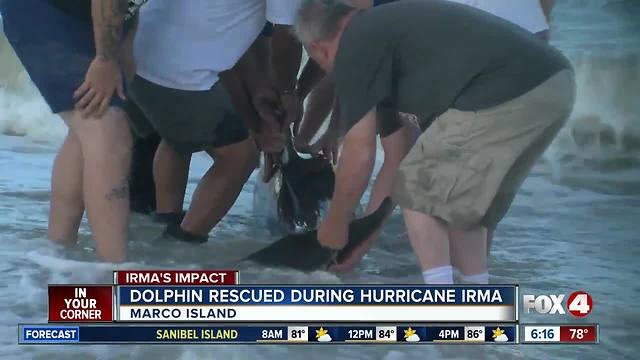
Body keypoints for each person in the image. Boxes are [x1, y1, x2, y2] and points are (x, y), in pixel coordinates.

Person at [295, 0, 575, 284]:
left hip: (506, 91)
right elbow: (397, 160)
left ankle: (439, 304)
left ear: (317, 47)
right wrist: (362, 240)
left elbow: (359, 154)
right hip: (554, 87)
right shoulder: (390, 41)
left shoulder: (357, 41)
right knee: (461, 211)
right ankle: (474, 307)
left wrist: (335, 226)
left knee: (421, 189)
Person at [127, 0, 302, 242]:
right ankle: (182, 243)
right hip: (175, 71)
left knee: (178, 132)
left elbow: (231, 48)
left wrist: (257, 116)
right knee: (240, 157)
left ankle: (167, 220)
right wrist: (288, 93)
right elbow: (288, 35)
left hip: (132, 53)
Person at [0, 0, 148, 262]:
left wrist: (125, 43)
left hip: (92, 14)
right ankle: (114, 271)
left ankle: (58, 253)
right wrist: (105, 59)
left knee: (89, 126)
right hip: (44, 9)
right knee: (108, 128)